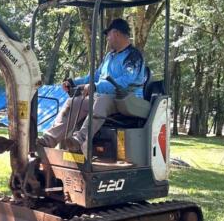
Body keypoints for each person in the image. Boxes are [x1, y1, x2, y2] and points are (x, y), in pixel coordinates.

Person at [38, 18, 146, 152]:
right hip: (107, 97)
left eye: (108, 35)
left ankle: (79, 140)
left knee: (101, 101)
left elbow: (124, 82)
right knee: (74, 102)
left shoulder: (133, 57)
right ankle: (47, 140)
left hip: (127, 99)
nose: (107, 39)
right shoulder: (110, 56)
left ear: (116, 33)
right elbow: (94, 76)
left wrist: (96, 87)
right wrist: (73, 82)